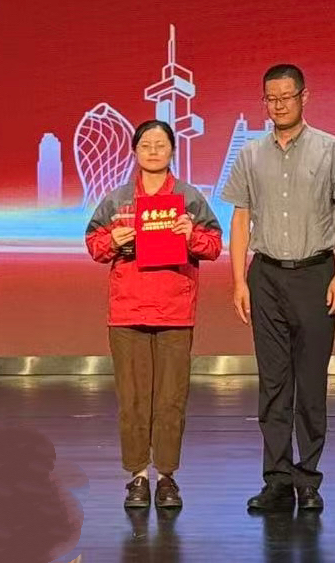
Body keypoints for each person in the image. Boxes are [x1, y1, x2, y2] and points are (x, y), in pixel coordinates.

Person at [221, 64, 335, 513]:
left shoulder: (331, 148)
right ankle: (277, 480)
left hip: (316, 274)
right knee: (273, 384)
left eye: (287, 96)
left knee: (311, 383)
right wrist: (238, 279)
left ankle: (308, 478)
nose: (279, 105)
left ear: (305, 96)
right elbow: (240, 218)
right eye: (271, 98)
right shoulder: (250, 154)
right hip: (265, 277)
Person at [85, 119, 223, 510]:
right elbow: (94, 244)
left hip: (174, 311)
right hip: (128, 311)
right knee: (132, 400)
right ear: (134, 151)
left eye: (161, 144)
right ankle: (137, 476)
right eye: (146, 144)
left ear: (172, 150)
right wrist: (113, 239)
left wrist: (189, 235)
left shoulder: (189, 198)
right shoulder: (117, 200)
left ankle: (166, 476)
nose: (153, 151)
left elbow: (214, 245)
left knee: (170, 399)